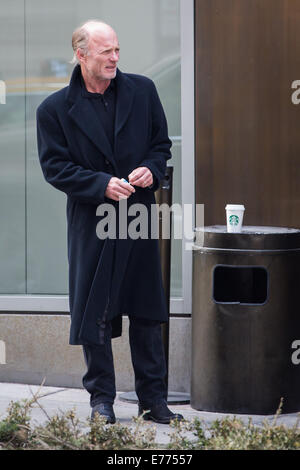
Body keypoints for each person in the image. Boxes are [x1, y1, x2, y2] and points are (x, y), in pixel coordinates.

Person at [36, 20, 183, 424]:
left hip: (138, 215)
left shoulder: (143, 90)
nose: (115, 58)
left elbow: (160, 146)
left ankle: (154, 400)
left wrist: (151, 171)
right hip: (92, 219)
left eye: (117, 50)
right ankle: (101, 400)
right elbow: (55, 168)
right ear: (81, 55)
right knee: (94, 311)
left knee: (147, 309)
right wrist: (101, 185)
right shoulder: (53, 110)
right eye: (106, 52)